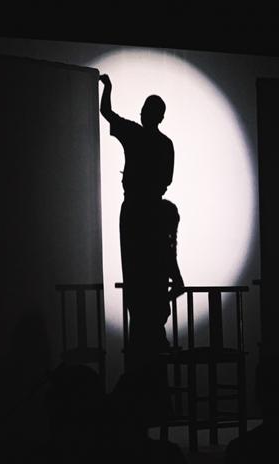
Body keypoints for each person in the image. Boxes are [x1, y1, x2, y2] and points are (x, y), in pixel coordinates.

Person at [99, 73, 184, 372]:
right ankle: (152, 335)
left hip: (136, 210)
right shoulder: (163, 143)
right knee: (151, 271)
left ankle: (146, 337)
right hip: (147, 208)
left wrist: (108, 88)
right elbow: (167, 179)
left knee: (138, 272)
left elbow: (106, 112)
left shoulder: (136, 134)